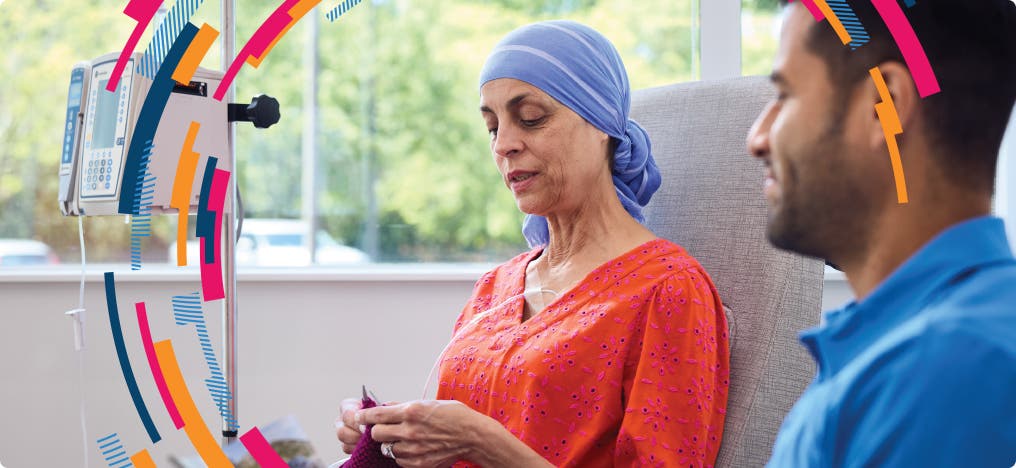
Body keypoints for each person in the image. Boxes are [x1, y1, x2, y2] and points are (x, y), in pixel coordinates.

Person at [335, 20, 730, 467]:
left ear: (601, 123)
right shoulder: (496, 286)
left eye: (531, 118)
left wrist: (484, 443)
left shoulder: (668, 291)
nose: (503, 144)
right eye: (491, 126)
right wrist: (400, 432)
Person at [747, 1, 1016, 466]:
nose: (758, 137)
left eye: (785, 95)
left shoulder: (938, 376)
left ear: (884, 106)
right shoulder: (922, 352)